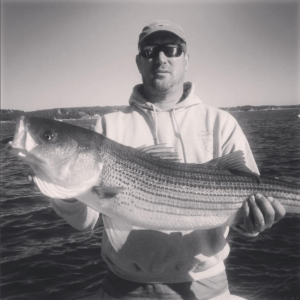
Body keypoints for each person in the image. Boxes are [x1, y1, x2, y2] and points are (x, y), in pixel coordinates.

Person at [51, 20, 286, 300]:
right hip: (124, 288)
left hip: (205, 288)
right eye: (150, 51)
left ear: (186, 59)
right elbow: (85, 222)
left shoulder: (221, 123)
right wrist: (61, 191)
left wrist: (254, 223)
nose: (160, 58)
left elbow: (247, 214)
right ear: (139, 61)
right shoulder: (107, 126)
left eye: (171, 50)